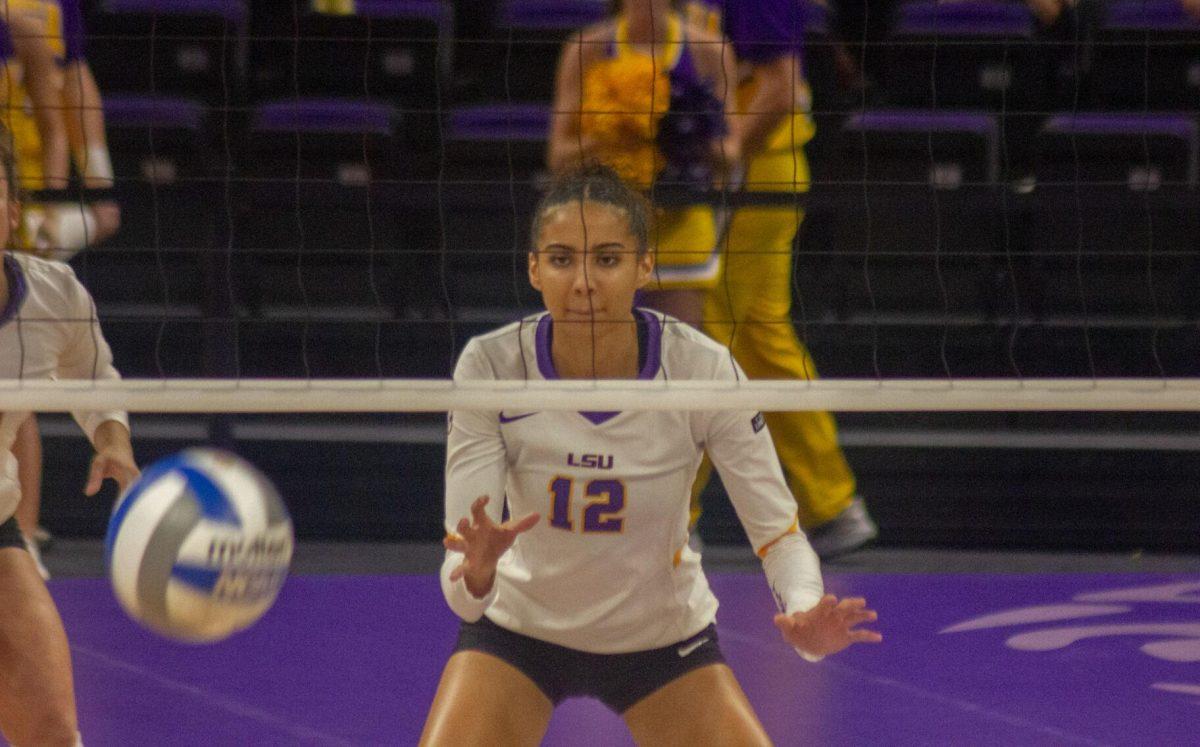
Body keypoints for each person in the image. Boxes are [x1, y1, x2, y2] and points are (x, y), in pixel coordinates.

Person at [420, 166, 880, 745]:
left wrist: (807, 610)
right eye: (562, 259)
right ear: (534, 269)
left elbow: (781, 535)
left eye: (608, 259)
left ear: (645, 267)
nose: (584, 281)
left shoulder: (701, 370)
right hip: (517, 633)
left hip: (662, 643)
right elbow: (462, 594)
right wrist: (479, 573)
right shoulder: (490, 367)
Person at [0, 135, 138, 745]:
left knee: (52, 731)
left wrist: (113, 441)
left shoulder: (52, 295)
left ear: (12, 211)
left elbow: (94, 377)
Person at [3, 0, 121, 577]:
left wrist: (64, 193)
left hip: (15, 200)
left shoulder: (41, 14)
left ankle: (20, 534)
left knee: (15, 380)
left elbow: (62, 98)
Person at [548, 0, 736, 323]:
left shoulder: (710, 50)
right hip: (604, 232)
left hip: (681, 228)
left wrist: (677, 127)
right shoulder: (585, 49)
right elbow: (558, 156)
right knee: (604, 365)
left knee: (674, 363)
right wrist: (616, 128)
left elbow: (730, 154)